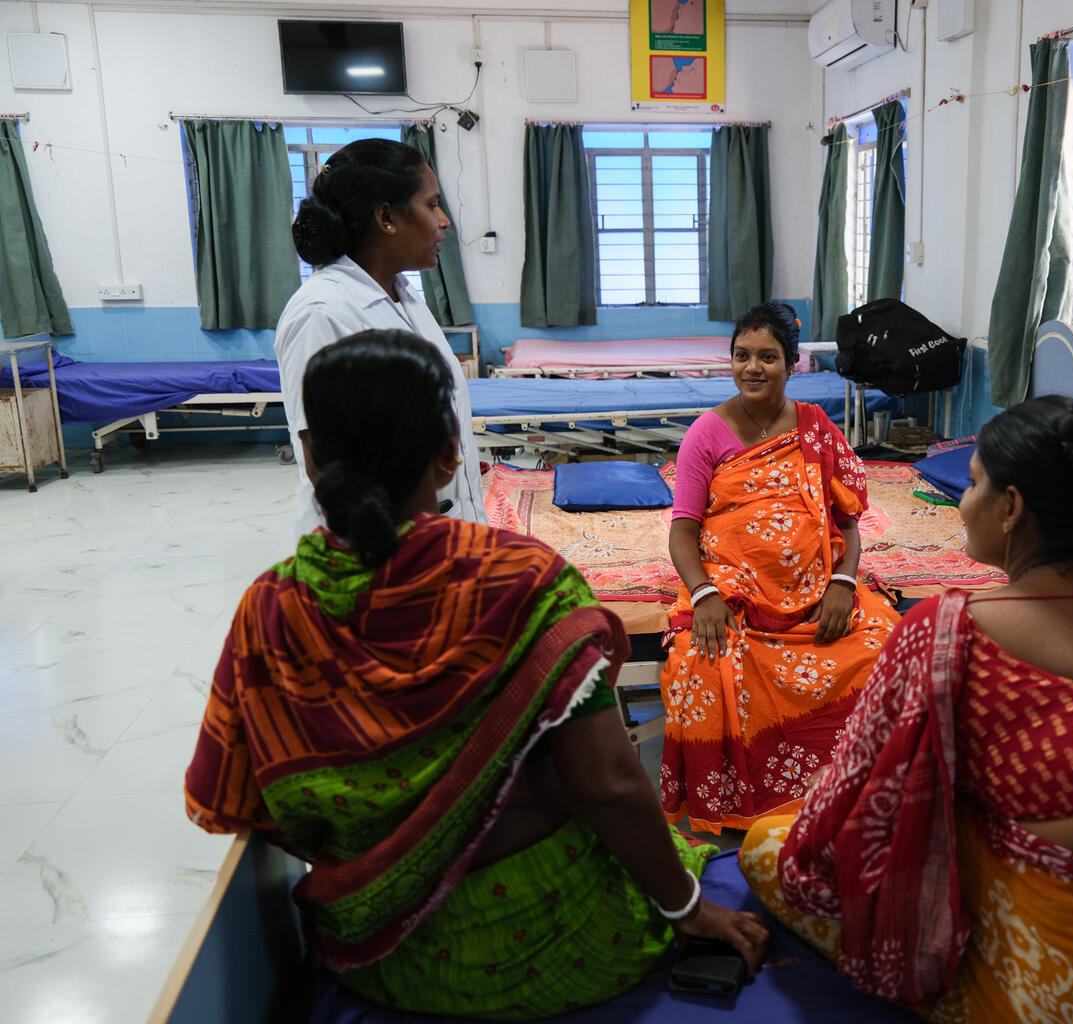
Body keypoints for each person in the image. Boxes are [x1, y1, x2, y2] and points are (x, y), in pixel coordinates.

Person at [185, 330, 767, 1019]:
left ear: (311, 456)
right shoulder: (522, 581)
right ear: (448, 454)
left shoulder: (271, 607)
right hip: (563, 939)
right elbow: (610, 786)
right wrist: (688, 910)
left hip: (384, 961)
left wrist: (390, 842)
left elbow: (235, 797)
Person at [739, 395, 1073, 1022]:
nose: (963, 502)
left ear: (1011, 508)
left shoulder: (951, 632)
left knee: (771, 842)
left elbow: (848, 809)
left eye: (972, 484)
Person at [661, 301, 901, 835]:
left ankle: (854, 788)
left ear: (792, 365)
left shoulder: (817, 429)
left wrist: (843, 581)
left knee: (885, 646)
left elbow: (849, 522)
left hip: (817, 591)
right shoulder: (707, 432)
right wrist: (703, 595)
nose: (752, 367)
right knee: (704, 668)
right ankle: (749, 810)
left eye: (767, 357)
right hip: (732, 593)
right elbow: (683, 529)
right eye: (742, 355)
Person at [275, 138, 484, 538]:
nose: (444, 221)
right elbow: (324, 463)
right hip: (380, 553)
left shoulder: (403, 295)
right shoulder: (322, 313)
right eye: (431, 204)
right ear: (387, 217)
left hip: (440, 535)